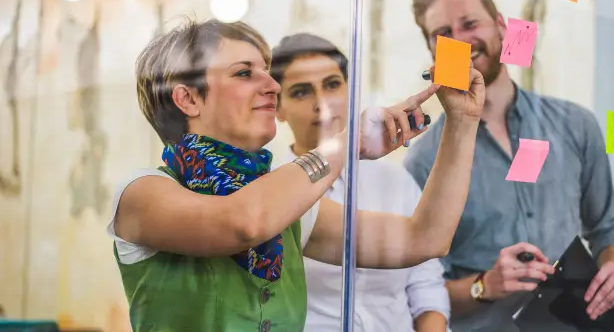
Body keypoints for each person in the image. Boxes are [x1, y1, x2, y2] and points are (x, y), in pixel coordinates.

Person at [107, 17, 485, 331]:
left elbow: (425, 239)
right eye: (244, 73)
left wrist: (463, 122)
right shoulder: (141, 193)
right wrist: (346, 142)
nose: (272, 86)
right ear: (188, 98)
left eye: (268, 73)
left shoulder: (290, 207)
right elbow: (245, 222)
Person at [404, 0, 614, 331]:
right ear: (432, 50)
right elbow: (422, 292)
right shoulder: (423, 161)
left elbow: (609, 228)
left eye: (470, 24)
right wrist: (484, 285)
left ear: (500, 26)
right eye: (444, 33)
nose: (461, 40)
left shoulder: (575, 125)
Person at [270, 33, 450, 332]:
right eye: (301, 92)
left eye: (332, 85)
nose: (321, 102)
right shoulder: (272, 188)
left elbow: (426, 287)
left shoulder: (395, 180)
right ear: (277, 109)